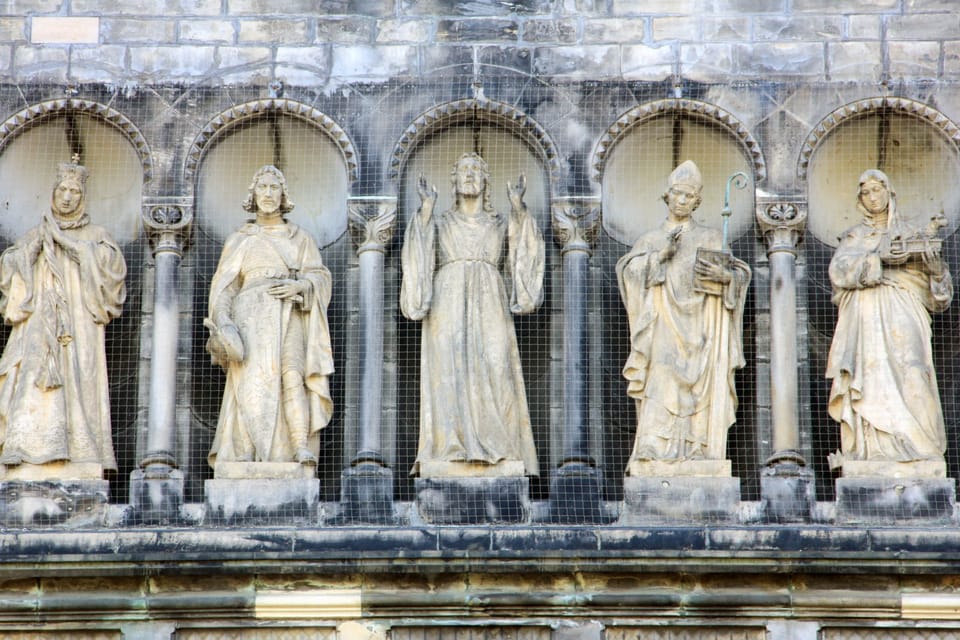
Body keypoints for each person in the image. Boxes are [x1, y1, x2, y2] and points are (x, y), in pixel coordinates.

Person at [401, 152, 543, 476]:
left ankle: (502, 447)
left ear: (485, 182)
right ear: (453, 181)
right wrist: (425, 210)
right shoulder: (439, 222)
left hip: (490, 300)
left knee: (496, 366)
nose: (469, 175)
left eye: (476, 170)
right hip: (447, 301)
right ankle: (448, 447)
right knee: (447, 370)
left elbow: (524, 254)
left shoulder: (500, 222)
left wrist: (519, 209)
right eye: (463, 170)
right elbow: (418, 257)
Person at [616, 160, 750, 466]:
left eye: (688, 197)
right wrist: (660, 256)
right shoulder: (650, 239)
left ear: (697, 201)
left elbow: (736, 276)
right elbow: (629, 274)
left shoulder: (711, 237)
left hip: (703, 328)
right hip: (663, 323)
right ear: (667, 196)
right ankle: (652, 446)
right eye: (677, 194)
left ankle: (700, 448)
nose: (682, 200)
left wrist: (728, 278)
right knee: (660, 377)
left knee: (700, 391)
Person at [0, 157, 127, 470]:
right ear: (53, 192)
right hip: (37, 325)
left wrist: (66, 243)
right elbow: (11, 270)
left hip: (78, 326)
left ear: (83, 198)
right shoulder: (35, 233)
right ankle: (21, 445)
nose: (68, 196)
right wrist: (32, 251)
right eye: (63, 189)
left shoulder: (96, 234)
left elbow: (110, 273)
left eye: (74, 191)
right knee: (30, 376)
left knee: (77, 382)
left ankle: (78, 450)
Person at [205, 165, 334, 468]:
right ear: (253, 195)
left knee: (293, 376)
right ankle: (246, 451)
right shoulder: (240, 238)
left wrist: (300, 284)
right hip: (249, 318)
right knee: (249, 385)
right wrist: (223, 322)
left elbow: (320, 276)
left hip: (288, 313)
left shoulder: (299, 237)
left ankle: (299, 446)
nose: (267, 194)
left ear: (283, 196)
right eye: (261, 187)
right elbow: (225, 287)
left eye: (273, 188)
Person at [826, 169, 952, 469]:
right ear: (860, 200)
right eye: (866, 193)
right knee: (870, 375)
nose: (872, 197)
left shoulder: (913, 233)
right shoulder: (855, 236)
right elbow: (839, 271)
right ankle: (876, 451)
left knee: (914, 370)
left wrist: (935, 271)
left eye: (877, 190)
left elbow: (940, 298)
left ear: (889, 192)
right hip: (867, 313)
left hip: (905, 306)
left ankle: (923, 449)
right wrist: (878, 258)